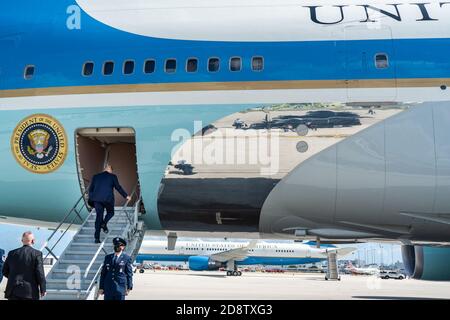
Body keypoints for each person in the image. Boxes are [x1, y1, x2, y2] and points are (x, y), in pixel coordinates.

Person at [89, 164, 131, 243]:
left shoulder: (96, 176)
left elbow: (91, 189)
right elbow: (118, 187)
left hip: (97, 200)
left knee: (99, 217)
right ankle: (104, 223)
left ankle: (96, 238)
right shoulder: (112, 176)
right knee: (111, 212)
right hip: (108, 199)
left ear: (104, 169)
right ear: (110, 170)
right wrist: (126, 196)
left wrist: (92, 199)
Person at [2, 232, 46, 300]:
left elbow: (4, 271)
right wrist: (43, 289)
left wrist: (14, 278)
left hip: (13, 291)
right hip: (30, 292)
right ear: (33, 241)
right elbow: (40, 273)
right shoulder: (37, 254)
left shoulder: (12, 253)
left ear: (22, 241)